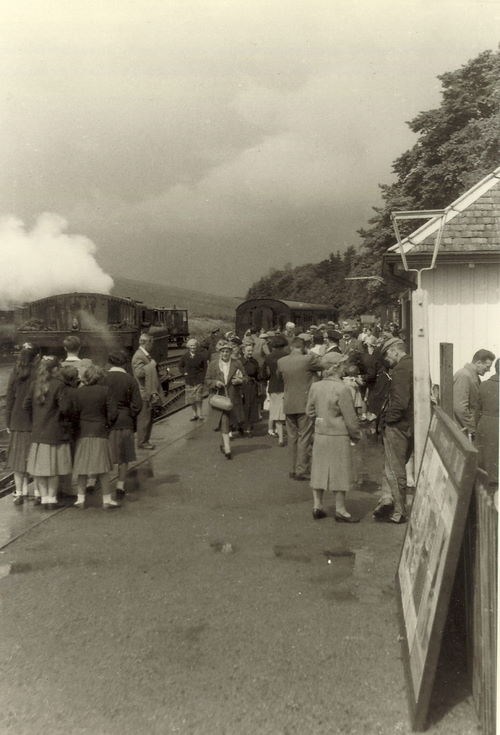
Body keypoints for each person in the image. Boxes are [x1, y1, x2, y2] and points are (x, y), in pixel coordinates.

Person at [306, 351, 361, 521]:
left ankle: (317, 506)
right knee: (340, 471)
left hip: (321, 433)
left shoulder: (315, 386)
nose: (345, 367)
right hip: (339, 434)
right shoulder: (343, 389)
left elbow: (309, 411)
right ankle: (340, 509)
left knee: (319, 469)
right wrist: (356, 435)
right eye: (343, 364)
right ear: (336, 368)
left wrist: (321, 418)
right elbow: (350, 418)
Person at [373, 337, 413, 524]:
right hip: (409, 423)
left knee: (394, 468)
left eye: (386, 357)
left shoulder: (400, 369)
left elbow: (400, 401)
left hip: (398, 425)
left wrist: (388, 420)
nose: (386, 362)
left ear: (393, 351)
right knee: (391, 465)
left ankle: (399, 511)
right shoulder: (412, 364)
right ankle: (387, 499)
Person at [25, 356, 73, 510]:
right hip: (55, 433)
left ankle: (44, 498)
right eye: (58, 368)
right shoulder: (59, 385)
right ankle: (52, 499)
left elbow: (25, 405)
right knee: (54, 468)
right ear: (54, 370)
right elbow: (65, 408)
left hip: (38, 433)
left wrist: (35, 419)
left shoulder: (34, 385)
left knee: (39, 469)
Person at [71, 363, 119, 509]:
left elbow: (74, 414)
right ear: (99, 377)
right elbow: (113, 413)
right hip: (100, 431)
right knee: (103, 468)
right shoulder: (105, 391)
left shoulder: (78, 392)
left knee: (82, 467)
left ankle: (80, 499)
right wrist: (107, 425)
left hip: (83, 432)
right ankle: (107, 500)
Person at [277, 337, 320, 480]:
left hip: (289, 403)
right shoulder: (308, 359)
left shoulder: (281, 362)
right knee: (304, 436)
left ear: (291, 347)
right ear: (303, 347)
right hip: (304, 403)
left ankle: (292, 468)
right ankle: (301, 469)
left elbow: (279, 376)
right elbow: (323, 365)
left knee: (292, 437)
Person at [103, 350, 143, 497]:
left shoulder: (103, 378)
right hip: (125, 422)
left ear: (110, 362)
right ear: (125, 363)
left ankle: (104, 486)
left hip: (108, 424)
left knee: (107, 456)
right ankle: (120, 486)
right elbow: (138, 404)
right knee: (124, 456)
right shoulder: (130, 380)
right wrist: (129, 414)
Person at [5, 344, 39, 505]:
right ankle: (38, 492)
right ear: (35, 358)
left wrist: (8, 422)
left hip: (17, 420)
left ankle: (20, 492)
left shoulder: (15, 373)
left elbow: (9, 399)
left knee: (18, 459)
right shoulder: (38, 373)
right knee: (33, 458)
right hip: (34, 420)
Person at [205, 341, 246, 459]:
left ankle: (223, 444)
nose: (225, 353)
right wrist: (215, 383)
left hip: (233, 398)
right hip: (218, 398)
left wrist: (240, 381)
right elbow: (207, 380)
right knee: (224, 421)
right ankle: (228, 449)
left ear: (231, 352)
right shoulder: (213, 365)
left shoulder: (237, 363)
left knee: (228, 422)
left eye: (227, 351)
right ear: (219, 352)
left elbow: (246, 377)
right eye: (222, 351)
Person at [453, 349, 495, 440]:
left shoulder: (472, 376)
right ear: (479, 362)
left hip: (464, 428)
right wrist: (473, 429)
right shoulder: (464, 376)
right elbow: (459, 408)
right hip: (462, 430)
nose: (488, 370)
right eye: (487, 367)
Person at [132, 333, 164, 449]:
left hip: (148, 391)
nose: (153, 345)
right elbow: (139, 373)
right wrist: (151, 365)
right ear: (146, 342)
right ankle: (142, 442)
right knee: (144, 418)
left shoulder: (144, 355)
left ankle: (145, 440)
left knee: (148, 417)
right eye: (152, 342)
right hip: (144, 392)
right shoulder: (139, 356)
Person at [262, 334, 289, 445]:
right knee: (287, 412)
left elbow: (264, 374)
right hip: (287, 385)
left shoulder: (268, 357)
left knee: (276, 413)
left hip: (274, 386)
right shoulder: (288, 355)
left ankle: (281, 438)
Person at [476, 358, 499, 485]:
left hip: (484, 426)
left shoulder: (484, 385)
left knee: (485, 464)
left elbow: (476, 410)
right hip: (496, 427)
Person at [178, 338, 208, 421]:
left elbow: (205, 367)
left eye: (194, 345)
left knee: (198, 398)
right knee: (191, 399)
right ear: (188, 347)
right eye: (191, 345)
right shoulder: (185, 356)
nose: (193, 347)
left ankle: (200, 414)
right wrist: (184, 372)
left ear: (197, 346)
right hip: (189, 380)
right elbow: (180, 366)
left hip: (199, 380)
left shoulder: (201, 356)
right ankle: (194, 414)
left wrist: (203, 377)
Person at [240, 341, 261, 436]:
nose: (250, 353)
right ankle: (242, 425)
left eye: (251, 351)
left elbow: (258, 374)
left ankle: (248, 428)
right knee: (243, 406)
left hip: (252, 386)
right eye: (248, 351)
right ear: (243, 351)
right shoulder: (239, 362)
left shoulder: (254, 361)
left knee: (252, 406)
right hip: (242, 386)